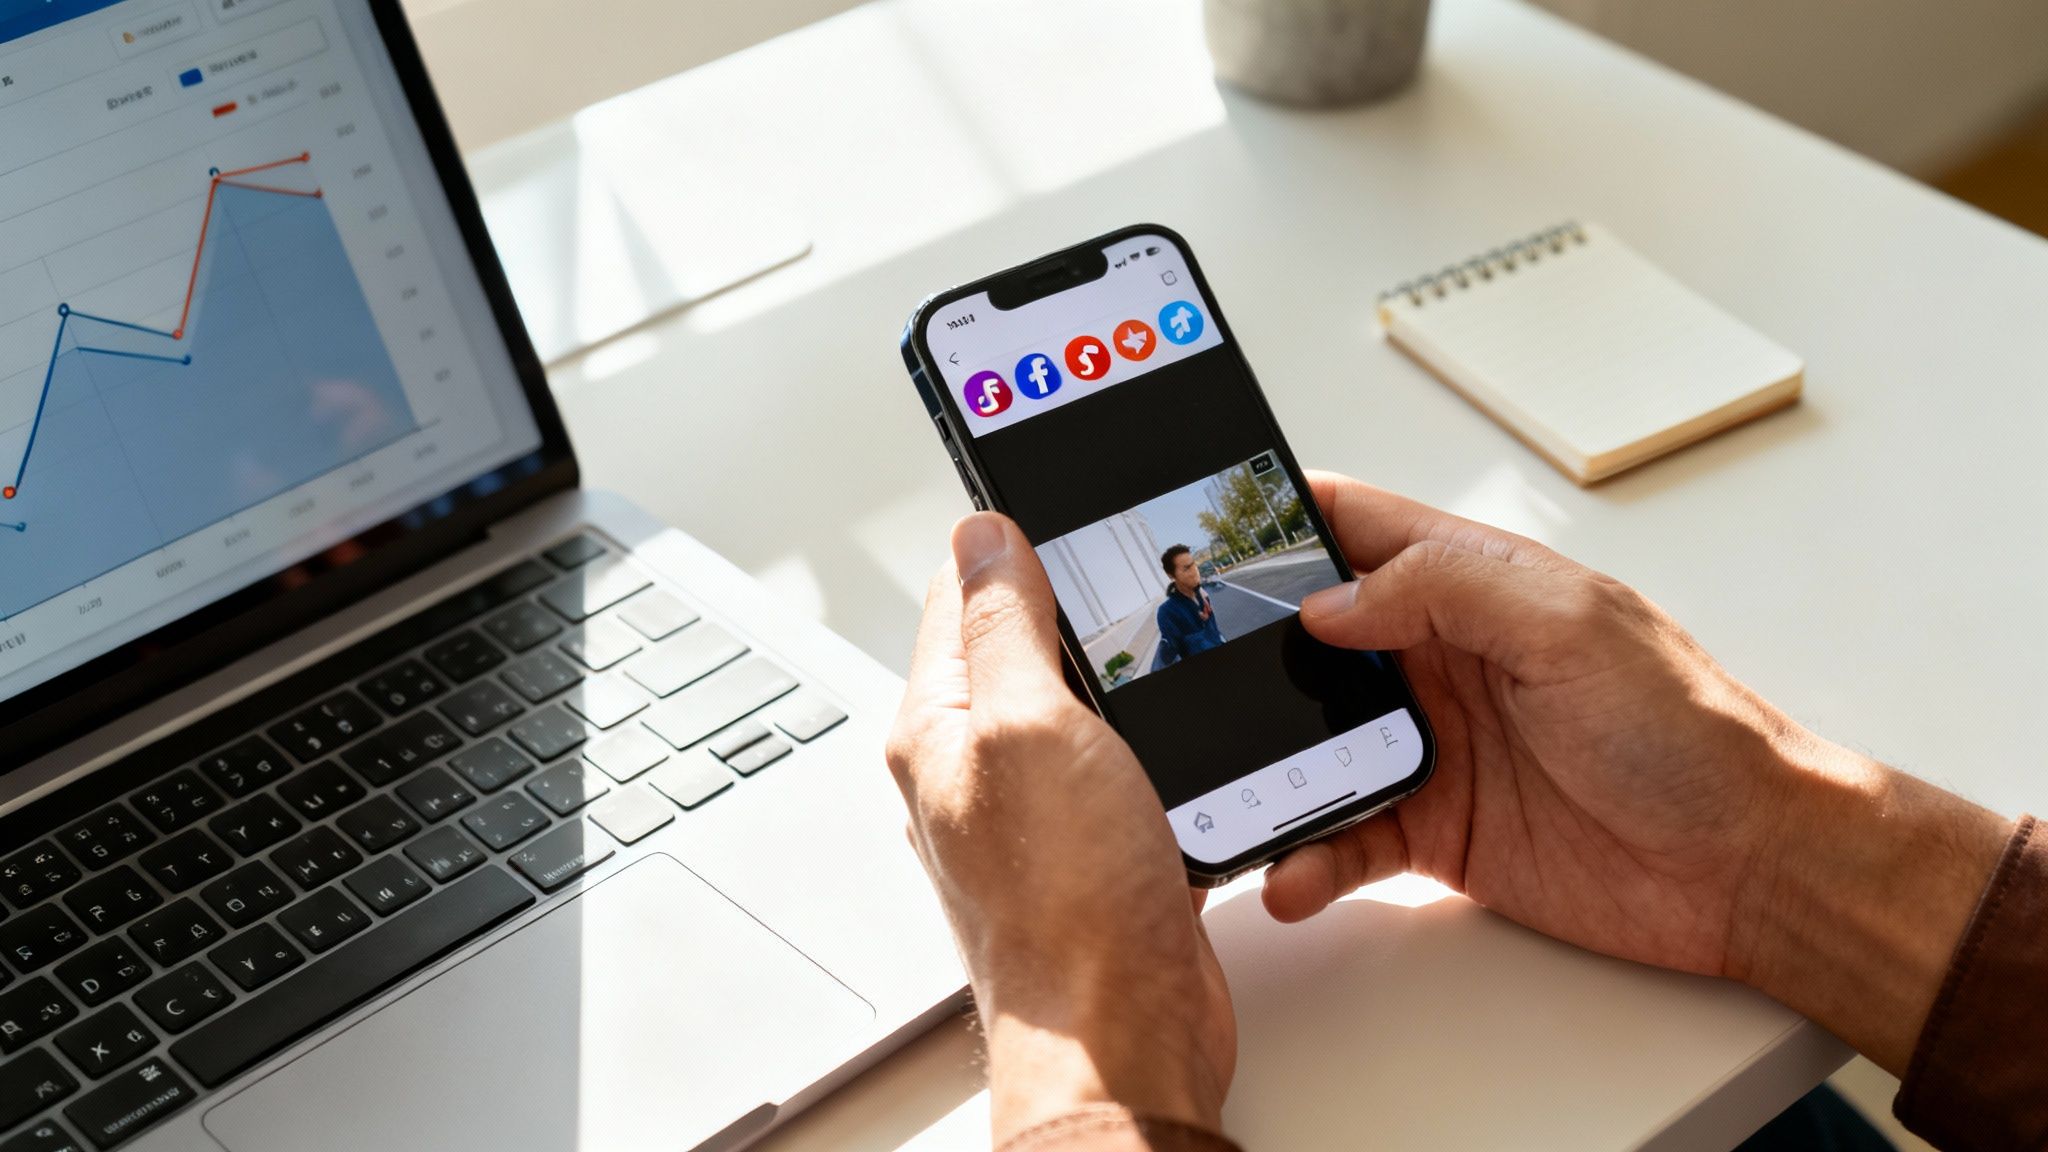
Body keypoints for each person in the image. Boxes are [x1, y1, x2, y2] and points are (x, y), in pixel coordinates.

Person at [884, 472, 2045, 1152]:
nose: (1193, 581)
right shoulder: (1182, 621)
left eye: (1194, 572)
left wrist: (1083, 1028)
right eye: (1185, 573)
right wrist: (1760, 853)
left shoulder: (1210, 602)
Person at [1155, 544, 1225, 667]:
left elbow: (1215, 633)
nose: (1195, 572)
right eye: (1186, 568)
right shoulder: (1167, 612)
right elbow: (1171, 655)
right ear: (1171, 575)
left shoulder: (1203, 596)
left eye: (1194, 565)